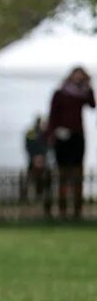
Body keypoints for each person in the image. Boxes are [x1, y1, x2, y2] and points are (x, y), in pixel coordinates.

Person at [46, 67, 94, 220]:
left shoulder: (83, 94)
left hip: (77, 136)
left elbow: (93, 104)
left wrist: (88, 86)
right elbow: (52, 116)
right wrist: (52, 134)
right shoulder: (60, 94)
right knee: (63, 173)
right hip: (62, 137)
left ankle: (77, 209)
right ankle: (62, 208)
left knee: (77, 172)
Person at [24, 115, 52, 216]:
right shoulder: (30, 133)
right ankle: (28, 200)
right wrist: (35, 157)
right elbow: (28, 146)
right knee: (31, 180)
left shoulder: (45, 133)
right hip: (33, 161)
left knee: (47, 180)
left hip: (44, 161)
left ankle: (46, 201)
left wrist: (42, 157)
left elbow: (49, 146)